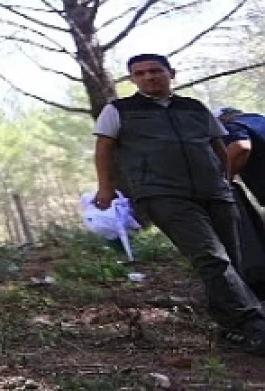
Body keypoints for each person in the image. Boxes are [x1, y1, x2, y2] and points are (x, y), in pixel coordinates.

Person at [94, 54, 265, 352]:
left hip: (214, 192)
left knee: (231, 260)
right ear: (132, 79)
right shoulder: (119, 110)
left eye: (155, 71)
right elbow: (104, 148)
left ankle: (230, 327)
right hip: (163, 195)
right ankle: (254, 325)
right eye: (140, 73)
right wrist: (106, 187)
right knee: (211, 257)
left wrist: (224, 179)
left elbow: (218, 145)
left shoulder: (195, 108)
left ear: (170, 73)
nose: (149, 77)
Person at [220, 107, 265, 204]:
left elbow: (241, 145)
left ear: (223, 119)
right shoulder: (260, 120)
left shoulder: (234, 126)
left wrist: (226, 176)